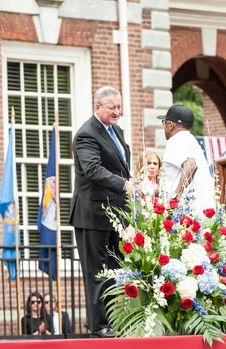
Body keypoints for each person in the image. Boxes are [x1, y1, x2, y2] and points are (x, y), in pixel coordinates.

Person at [69, 86, 134, 338]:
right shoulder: (86, 134)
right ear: (97, 108)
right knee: (96, 272)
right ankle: (98, 325)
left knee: (116, 270)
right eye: (111, 108)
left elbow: (121, 167)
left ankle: (115, 321)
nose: (117, 112)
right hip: (92, 214)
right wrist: (124, 184)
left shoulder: (115, 130)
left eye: (119, 107)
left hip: (116, 216)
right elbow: (93, 170)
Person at [157, 104, 215, 213]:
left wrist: (175, 196)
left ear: (170, 125)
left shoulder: (175, 140)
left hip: (185, 214)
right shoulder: (191, 141)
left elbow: (191, 164)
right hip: (203, 212)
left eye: (164, 123)